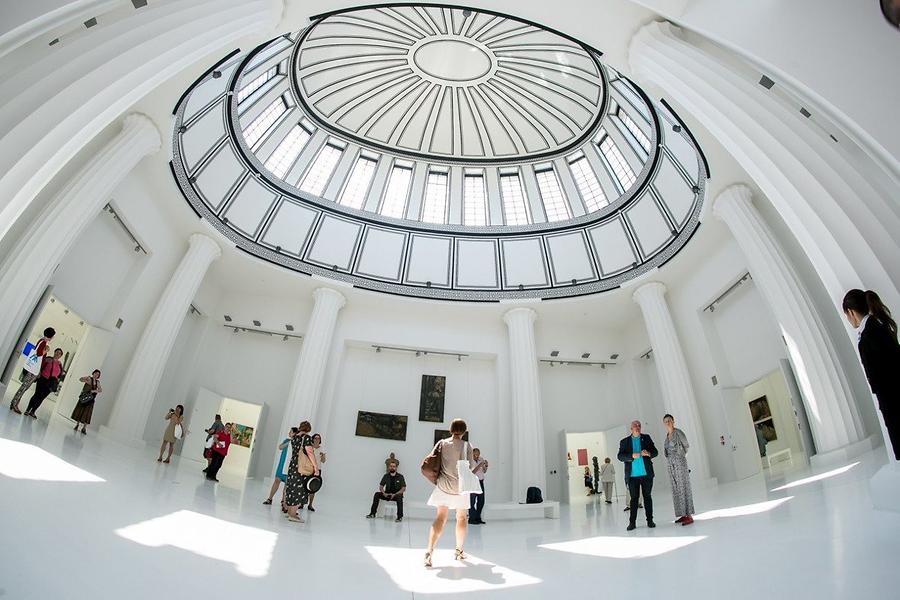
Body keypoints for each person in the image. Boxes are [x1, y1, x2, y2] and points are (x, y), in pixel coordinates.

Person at [843, 289, 900, 460]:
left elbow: (878, 372)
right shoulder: (878, 325)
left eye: (846, 314)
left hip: (892, 397)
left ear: (851, 312)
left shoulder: (869, 334)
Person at [424, 418, 476, 568]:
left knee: (440, 518)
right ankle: (459, 551)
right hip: (461, 488)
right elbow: (470, 467)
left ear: (451, 429)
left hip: (443, 486)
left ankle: (429, 552)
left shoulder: (442, 443)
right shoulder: (467, 446)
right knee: (461, 518)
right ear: (464, 431)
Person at [618, 420, 658, 531]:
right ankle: (632, 523)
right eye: (635, 425)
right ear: (631, 428)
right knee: (634, 500)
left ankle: (650, 520)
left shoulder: (647, 438)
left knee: (647, 498)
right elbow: (620, 456)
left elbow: (655, 452)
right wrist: (631, 455)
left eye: (639, 425)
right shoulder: (625, 442)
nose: (637, 427)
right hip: (632, 477)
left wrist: (649, 453)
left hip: (646, 475)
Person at [9, 327, 55, 414]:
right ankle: (14, 403)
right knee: (24, 387)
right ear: (51, 336)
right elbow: (39, 353)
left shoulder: (41, 341)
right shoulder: (43, 342)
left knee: (24, 387)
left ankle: (14, 402)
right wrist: (46, 351)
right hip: (33, 370)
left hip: (32, 368)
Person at [663, 414, 695, 526]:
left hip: (680, 463)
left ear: (673, 421)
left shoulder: (678, 433)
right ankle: (682, 514)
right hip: (671, 465)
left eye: (669, 420)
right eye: (666, 421)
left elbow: (686, 446)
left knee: (683, 488)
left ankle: (689, 515)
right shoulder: (667, 436)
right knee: (676, 489)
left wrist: (680, 457)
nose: (668, 423)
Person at [285, 421, 317, 523]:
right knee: (298, 490)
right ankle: (293, 515)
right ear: (308, 429)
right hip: (300, 468)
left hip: (293, 466)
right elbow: (310, 453)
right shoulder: (306, 438)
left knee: (291, 488)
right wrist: (315, 467)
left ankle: (290, 513)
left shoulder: (294, 437)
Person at [22, 348, 63, 418]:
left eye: (59, 353)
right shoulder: (48, 359)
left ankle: (33, 411)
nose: (57, 354)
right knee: (37, 395)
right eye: (57, 352)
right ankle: (27, 410)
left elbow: (60, 374)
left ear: (61, 356)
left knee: (42, 398)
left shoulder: (59, 364)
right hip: (43, 379)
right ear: (54, 352)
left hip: (51, 383)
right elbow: (40, 367)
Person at [264, 427, 297, 508]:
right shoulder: (287, 441)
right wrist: (289, 442)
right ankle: (270, 499)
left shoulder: (297, 443)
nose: (289, 432)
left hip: (289, 466)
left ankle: (283, 502)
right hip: (281, 464)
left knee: (287, 485)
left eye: (291, 432)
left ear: (295, 434)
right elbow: (280, 447)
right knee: (277, 480)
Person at [70, 369, 101, 434]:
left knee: (87, 413)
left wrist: (94, 391)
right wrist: (86, 380)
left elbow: (100, 390)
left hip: (91, 399)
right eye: (95, 373)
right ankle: (77, 424)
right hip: (84, 397)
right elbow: (80, 379)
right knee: (80, 410)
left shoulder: (98, 382)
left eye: (98, 374)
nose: (96, 375)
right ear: (93, 373)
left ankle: (84, 428)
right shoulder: (89, 378)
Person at [468, 448, 488, 525]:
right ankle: (471, 519)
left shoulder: (481, 459)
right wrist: (479, 465)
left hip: (480, 481)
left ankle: (477, 517)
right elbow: (472, 472)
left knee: (481, 500)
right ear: (472, 454)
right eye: (475, 454)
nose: (477, 456)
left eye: (478, 454)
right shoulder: (469, 461)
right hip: (473, 482)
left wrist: (485, 466)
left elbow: (484, 471)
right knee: (472, 501)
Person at [307, 433, 326, 512]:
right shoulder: (309, 447)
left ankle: (310, 504)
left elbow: (323, 461)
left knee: (313, 487)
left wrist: (323, 456)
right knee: (305, 486)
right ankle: (301, 503)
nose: (317, 440)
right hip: (309, 469)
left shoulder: (321, 449)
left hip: (317, 470)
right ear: (313, 439)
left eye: (318, 438)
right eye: (315, 438)